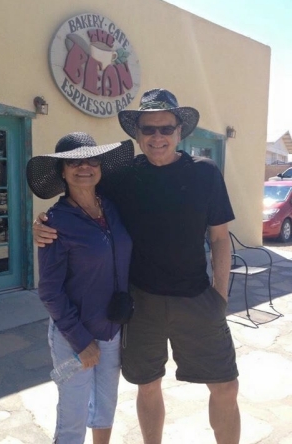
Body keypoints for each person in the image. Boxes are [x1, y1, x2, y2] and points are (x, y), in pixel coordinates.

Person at [32, 89, 240, 444]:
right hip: (140, 303)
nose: (157, 137)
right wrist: (43, 223)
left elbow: (220, 238)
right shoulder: (122, 177)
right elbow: (81, 193)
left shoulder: (205, 174)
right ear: (137, 133)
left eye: (165, 128)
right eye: (148, 129)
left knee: (225, 385)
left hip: (197, 298)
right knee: (147, 386)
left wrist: (220, 296)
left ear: (179, 132)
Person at [26, 132, 133, 444]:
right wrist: (81, 341)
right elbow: (49, 290)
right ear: (62, 171)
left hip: (112, 330)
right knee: (72, 418)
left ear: (100, 166)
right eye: (74, 161)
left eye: (91, 159)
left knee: (105, 407)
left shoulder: (113, 208)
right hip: (73, 337)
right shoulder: (55, 222)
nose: (84, 167)